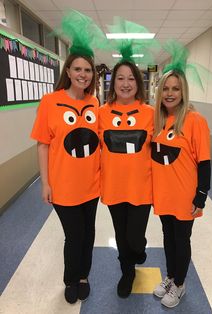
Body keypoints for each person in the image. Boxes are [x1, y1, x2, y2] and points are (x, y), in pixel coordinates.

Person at [30, 10, 104, 304]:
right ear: (68, 71)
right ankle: (70, 278)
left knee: (88, 235)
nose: (83, 75)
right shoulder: (50, 102)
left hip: (92, 185)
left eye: (88, 71)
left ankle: (83, 275)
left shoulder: (95, 102)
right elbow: (42, 145)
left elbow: (100, 142)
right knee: (74, 236)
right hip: (63, 187)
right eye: (78, 69)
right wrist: (45, 183)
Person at [151, 67, 211, 308]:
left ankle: (180, 283)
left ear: (183, 91)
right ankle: (171, 276)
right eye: (165, 88)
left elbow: (204, 161)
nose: (170, 93)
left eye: (175, 88)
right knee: (168, 237)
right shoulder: (159, 120)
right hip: (164, 194)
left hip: (185, 195)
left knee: (181, 239)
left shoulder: (195, 120)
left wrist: (201, 196)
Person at [99, 60, 154, 298]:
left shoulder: (151, 113)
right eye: (120, 78)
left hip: (142, 188)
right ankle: (127, 272)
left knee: (134, 237)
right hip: (113, 187)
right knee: (121, 234)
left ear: (138, 83)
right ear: (113, 82)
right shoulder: (101, 113)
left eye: (131, 78)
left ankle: (138, 248)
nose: (125, 83)